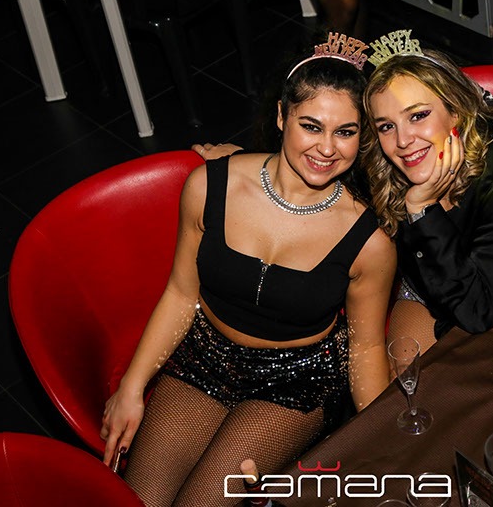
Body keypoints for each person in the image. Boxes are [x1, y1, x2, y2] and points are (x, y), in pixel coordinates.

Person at [100, 36, 396, 507]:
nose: (326, 148)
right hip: (205, 357)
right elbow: (181, 294)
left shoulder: (370, 243)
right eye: (311, 126)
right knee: (141, 501)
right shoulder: (209, 186)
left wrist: (386, 438)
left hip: (296, 382)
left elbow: (365, 347)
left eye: (345, 132)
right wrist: (132, 388)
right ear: (281, 117)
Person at [359, 30, 493, 354]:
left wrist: (422, 209)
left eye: (418, 116)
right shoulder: (388, 169)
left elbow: (478, 311)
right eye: (386, 126)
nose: (402, 140)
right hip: (429, 287)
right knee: (404, 374)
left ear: (456, 111)